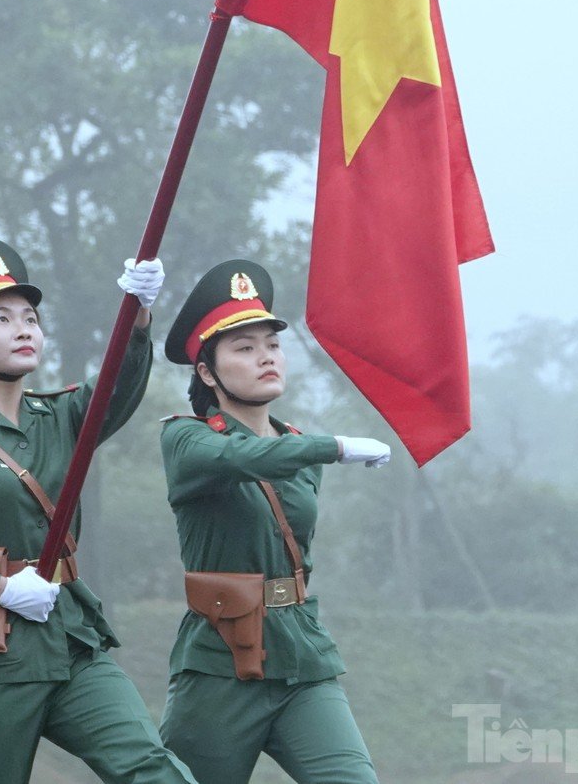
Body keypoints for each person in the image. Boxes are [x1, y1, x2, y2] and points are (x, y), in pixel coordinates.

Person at [0, 236, 201, 784]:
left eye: (30, 317)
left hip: (72, 641)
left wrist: (139, 317)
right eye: (1, 319)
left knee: (151, 769)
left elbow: (118, 389)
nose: (24, 328)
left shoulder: (63, 416)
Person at [156, 258, 393, 784]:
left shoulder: (295, 447)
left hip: (301, 652)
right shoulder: (187, 439)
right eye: (244, 349)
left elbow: (279, 463)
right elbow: (240, 459)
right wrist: (334, 447)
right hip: (220, 662)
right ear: (206, 372)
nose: (266, 358)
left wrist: (314, 450)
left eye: (272, 345)